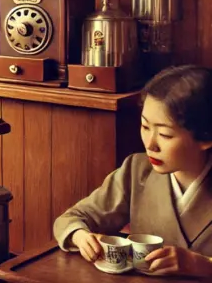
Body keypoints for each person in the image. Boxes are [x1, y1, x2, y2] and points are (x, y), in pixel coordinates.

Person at [53, 65, 212, 277]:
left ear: (205, 138)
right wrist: (80, 236)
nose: (150, 144)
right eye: (145, 127)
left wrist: (200, 265)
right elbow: (71, 218)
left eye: (165, 135)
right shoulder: (136, 171)